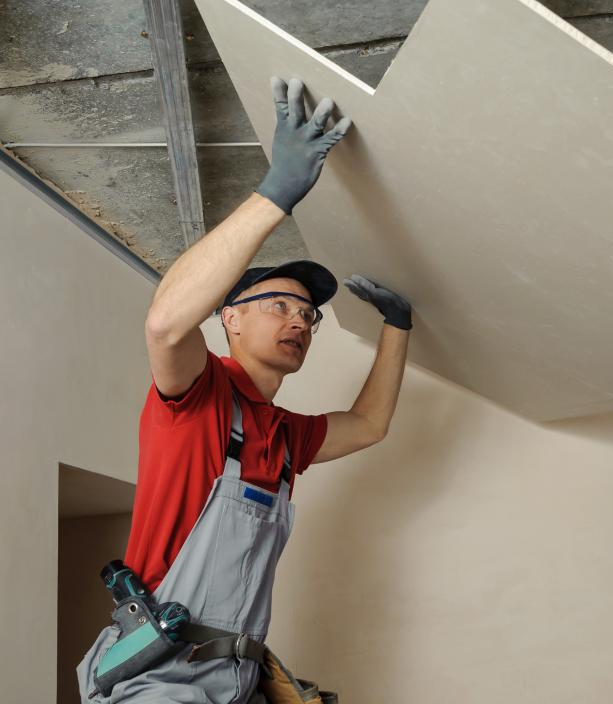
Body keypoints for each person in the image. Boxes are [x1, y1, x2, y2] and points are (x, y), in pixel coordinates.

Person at [77, 77, 412, 702]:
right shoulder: (197, 395)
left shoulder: (285, 436)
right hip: (160, 681)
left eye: (308, 315)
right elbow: (164, 322)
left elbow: (369, 425)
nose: (298, 320)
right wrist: (276, 192)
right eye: (280, 303)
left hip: (236, 680)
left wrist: (398, 327)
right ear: (229, 317)